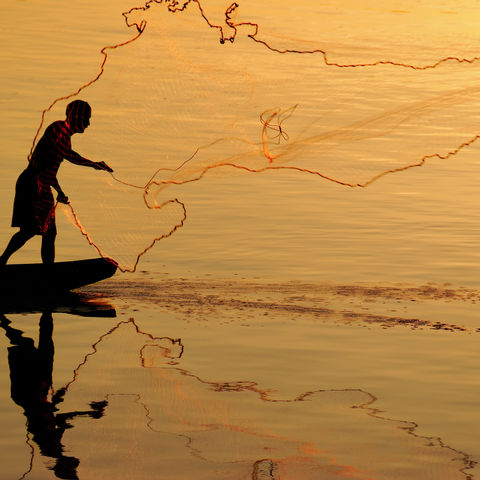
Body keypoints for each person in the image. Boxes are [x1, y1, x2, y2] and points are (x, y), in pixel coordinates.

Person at [0, 100, 113, 266]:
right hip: (31, 185)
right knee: (29, 230)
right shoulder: (57, 130)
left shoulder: (65, 138)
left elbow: (53, 166)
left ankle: (48, 271)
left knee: (49, 233)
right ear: (76, 117)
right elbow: (60, 158)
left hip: (42, 186)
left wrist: (59, 191)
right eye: (86, 118)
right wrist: (94, 164)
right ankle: (2, 262)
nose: (88, 123)